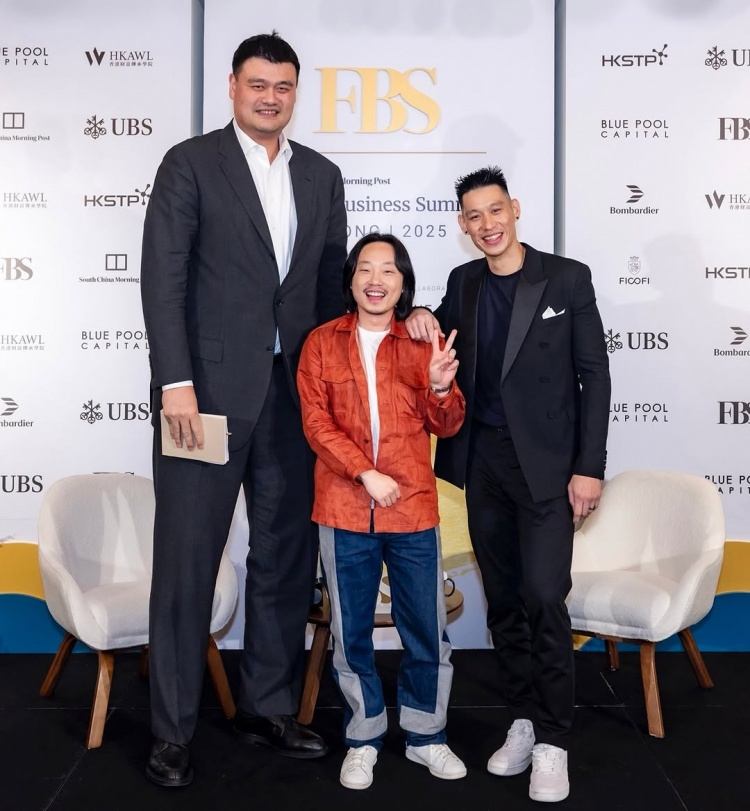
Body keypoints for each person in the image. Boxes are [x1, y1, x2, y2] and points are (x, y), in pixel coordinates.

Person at [140, 32, 347, 787]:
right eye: (257, 84)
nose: (270, 97)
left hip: (293, 399)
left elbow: (330, 288)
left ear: (296, 93)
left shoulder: (321, 175)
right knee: (187, 560)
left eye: (283, 86)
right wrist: (176, 383)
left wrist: (334, 386)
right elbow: (162, 279)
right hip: (203, 400)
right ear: (232, 87)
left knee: (284, 557)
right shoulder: (190, 163)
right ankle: (171, 730)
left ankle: (267, 707)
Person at [406, 167, 611, 803]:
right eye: (474, 216)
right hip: (483, 466)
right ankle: (522, 719)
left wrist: (589, 467)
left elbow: (595, 377)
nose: (487, 224)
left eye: (495, 210)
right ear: (463, 225)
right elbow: (434, 329)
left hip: (548, 469)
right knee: (503, 603)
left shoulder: (566, 278)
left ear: (515, 209)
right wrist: (418, 312)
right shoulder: (463, 282)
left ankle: (554, 740)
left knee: (544, 596)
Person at [297, 233, 467, 790]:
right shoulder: (320, 343)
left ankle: (425, 735)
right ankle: (363, 737)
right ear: (350, 281)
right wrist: (363, 472)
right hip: (344, 508)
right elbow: (316, 423)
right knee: (351, 634)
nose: (376, 280)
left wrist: (440, 389)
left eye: (388, 270)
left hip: (413, 508)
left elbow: (447, 425)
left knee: (427, 630)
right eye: (365, 269)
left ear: (402, 283)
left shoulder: (423, 340)